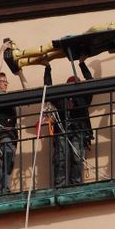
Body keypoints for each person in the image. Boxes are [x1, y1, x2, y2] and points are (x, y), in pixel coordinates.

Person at [43, 57, 94, 187]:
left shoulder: (83, 98)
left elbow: (92, 83)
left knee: (77, 158)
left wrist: (82, 64)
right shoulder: (61, 99)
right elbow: (47, 89)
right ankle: (60, 185)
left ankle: (75, 184)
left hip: (78, 130)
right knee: (61, 159)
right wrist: (47, 68)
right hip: (63, 130)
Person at [0, 40, 27, 195]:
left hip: (11, 134)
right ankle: (2, 190)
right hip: (2, 134)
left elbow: (27, 90)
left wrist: (19, 72)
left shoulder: (10, 98)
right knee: (7, 158)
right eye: (1, 82)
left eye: (5, 82)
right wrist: (2, 49)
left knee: (6, 161)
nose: (4, 84)